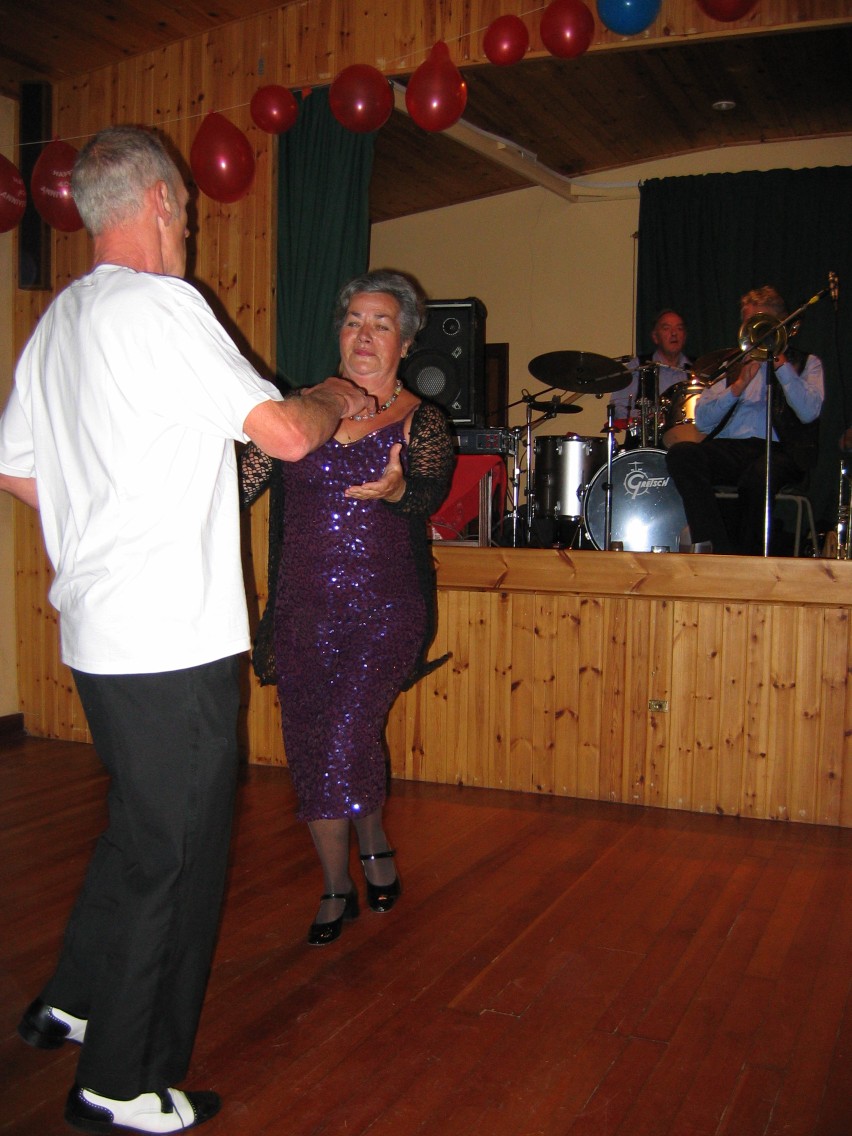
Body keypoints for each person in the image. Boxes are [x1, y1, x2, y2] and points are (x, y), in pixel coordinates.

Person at [0, 125, 371, 1134]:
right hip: (170, 639)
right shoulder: (164, 306)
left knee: (139, 826)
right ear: (163, 201)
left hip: (99, 634)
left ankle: (71, 1001)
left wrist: (105, 519)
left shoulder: (60, 322)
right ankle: (122, 1081)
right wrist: (332, 394)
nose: (193, 228)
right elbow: (285, 434)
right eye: (190, 211)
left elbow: (18, 468)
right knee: (177, 856)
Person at [239, 270, 455, 947]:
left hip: (387, 608)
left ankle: (347, 876)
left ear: (406, 341)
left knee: (342, 737)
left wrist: (397, 492)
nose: (365, 334)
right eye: (354, 321)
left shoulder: (423, 421)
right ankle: (357, 858)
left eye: (381, 323)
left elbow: (427, 496)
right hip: (303, 609)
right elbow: (236, 487)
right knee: (315, 743)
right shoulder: (297, 413)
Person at [665, 285, 824, 555]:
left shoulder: (807, 363)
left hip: (782, 450)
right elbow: (702, 421)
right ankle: (717, 548)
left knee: (759, 475)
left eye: (763, 323)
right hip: (733, 448)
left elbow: (809, 412)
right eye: (750, 322)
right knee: (682, 455)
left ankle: (750, 556)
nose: (756, 331)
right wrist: (737, 386)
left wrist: (781, 367)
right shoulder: (730, 364)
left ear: (780, 324)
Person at [611, 309, 693, 442]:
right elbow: (619, 407)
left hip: (687, 442)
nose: (674, 333)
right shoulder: (638, 366)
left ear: (685, 336)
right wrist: (644, 417)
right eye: (666, 328)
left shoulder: (696, 369)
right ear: (655, 337)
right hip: (645, 443)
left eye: (679, 328)